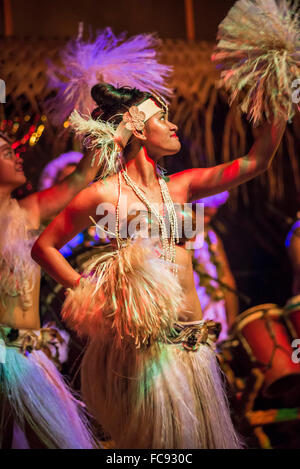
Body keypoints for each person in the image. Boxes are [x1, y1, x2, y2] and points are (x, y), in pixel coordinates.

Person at [32, 81, 286, 449]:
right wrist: (90, 293)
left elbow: (256, 161)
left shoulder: (182, 188)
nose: (174, 126)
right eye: (162, 118)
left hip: (193, 345)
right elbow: (44, 247)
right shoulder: (104, 194)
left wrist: (274, 108)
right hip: (146, 353)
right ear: (138, 128)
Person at [0, 131, 99, 449]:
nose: (17, 156)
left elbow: (81, 177)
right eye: (4, 152)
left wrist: (114, 131)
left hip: (28, 357)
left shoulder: (27, 211)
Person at [192, 191, 239, 342]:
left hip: (217, 310)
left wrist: (232, 318)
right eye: (203, 214)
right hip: (194, 311)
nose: (206, 220)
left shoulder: (212, 236)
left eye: (211, 216)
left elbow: (225, 275)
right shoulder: (178, 238)